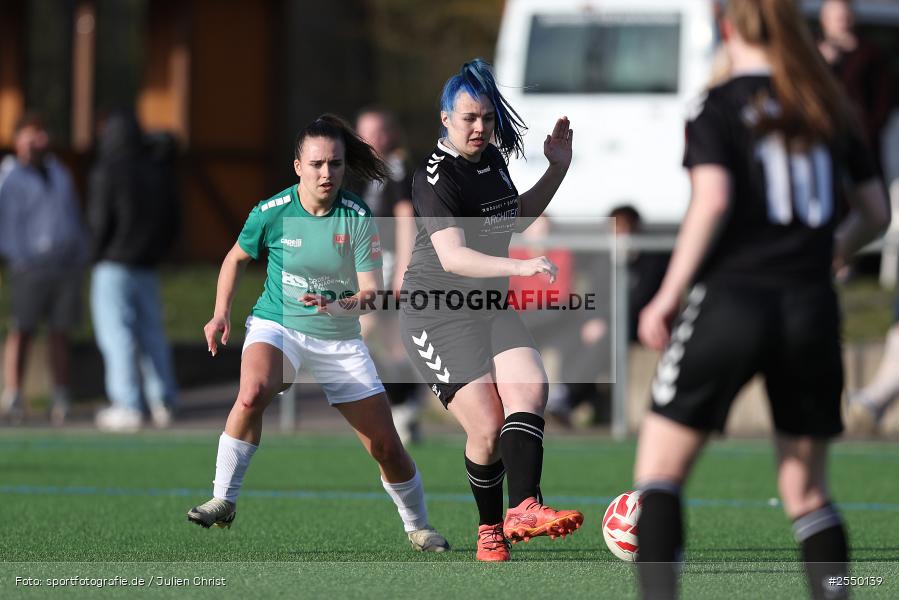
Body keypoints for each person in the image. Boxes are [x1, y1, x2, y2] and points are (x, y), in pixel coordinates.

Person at [632, 2, 890, 599]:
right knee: (807, 493)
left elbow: (714, 199)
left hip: (733, 302)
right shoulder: (825, 104)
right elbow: (876, 212)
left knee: (661, 474)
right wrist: (833, 248)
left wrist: (666, 295)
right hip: (811, 308)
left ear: (727, 27)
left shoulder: (717, 105)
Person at [186, 114, 449, 553]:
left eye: (336, 164)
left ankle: (419, 526)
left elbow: (372, 292)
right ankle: (223, 499)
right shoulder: (271, 213)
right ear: (297, 167)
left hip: (339, 339)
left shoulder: (357, 215)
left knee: (386, 446)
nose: (326, 173)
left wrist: (335, 304)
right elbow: (234, 259)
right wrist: (220, 315)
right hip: (278, 324)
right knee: (252, 392)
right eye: (316, 164)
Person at [398, 59, 583, 562]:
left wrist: (557, 168)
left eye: (486, 117)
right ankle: (489, 528)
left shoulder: (492, 159)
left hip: (488, 304)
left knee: (531, 387)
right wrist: (520, 269)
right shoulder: (434, 176)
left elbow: (516, 216)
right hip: (436, 314)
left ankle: (523, 506)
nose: (480, 127)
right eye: (468, 119)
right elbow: (453, 257)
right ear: (444, 119)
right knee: (486, 428)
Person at [88, 109, 180, 432]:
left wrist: (94, 254)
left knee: (118, 335)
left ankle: (128, 404)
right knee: (152, 334)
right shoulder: (156, 168)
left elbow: (100, 222)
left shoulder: (108, 170)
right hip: (147, 266)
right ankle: (163, 400)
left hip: (113, 264)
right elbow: (173, 219)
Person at [0, 112, 87, 425]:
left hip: (64, 266)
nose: (41, 140)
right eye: (33, 134)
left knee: (60, 331)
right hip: (28, 267)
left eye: (43, 133)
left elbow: (72, 215)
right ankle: (13, 394)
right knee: (22, 329)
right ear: (19, 139)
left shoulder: (59, 171)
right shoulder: (9, 176)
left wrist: (79, 253)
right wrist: (20, 257)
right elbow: (8, 225)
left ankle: (61, 394)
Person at [353, 108, 422, 444]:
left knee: (362, 334)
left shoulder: (396, 166)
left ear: (390, 133)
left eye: (378, 131)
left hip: (389, 266)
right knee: (392, 346)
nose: (371, 139)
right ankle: (405, 404)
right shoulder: (368, 171)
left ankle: (398, 404)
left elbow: (406, 216)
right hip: (372, 266)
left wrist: (405, 269)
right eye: (365, 132)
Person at [818, 0, 894, 177]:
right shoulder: (815, 54)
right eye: (837, 18)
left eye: (845, 17)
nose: (842, 22)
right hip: (826, 137)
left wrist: (867, 129)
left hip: (863, 140)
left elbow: (884, 99)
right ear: (825, 20)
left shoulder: (869, 53)